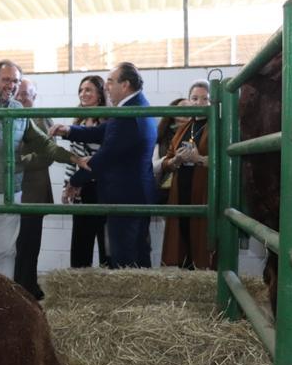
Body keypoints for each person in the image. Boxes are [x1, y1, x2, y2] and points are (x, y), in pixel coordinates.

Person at [0, 60, 80, 279]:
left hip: (12, 191)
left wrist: (72, 158)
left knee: (7, 251)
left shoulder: (18, 110)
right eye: (6, 79)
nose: (10, 85)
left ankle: (5, 301)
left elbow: (43, 143)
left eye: (15, 81)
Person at [49, 62, 157, 269]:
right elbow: (102, 132)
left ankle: (129, 299)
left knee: (125, 256)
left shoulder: (129, 114)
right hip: (134, 192)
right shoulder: (134, 107)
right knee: (136, 252)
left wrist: (74, 180)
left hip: (125, 196)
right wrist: (68, 131)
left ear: (125, 85)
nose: (106, 86)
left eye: (110, 81)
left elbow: (106, 156)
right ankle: (138, 297)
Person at [160, 80, 212, 269]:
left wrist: (199, 158)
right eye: (195, 98)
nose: (199, 103)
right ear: (189, 100)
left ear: (211, 102)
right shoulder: (183, 128)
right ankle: (186, 268)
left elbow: (225, 161)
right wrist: (176, 161)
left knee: (201, 234)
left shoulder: (218, 126)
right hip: (181, 189)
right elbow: (166, 161)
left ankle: (203, 271)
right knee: (182, 232)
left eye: (204, 99)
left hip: (204, 191)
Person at [63, 75, 111, 268]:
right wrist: (68, 184)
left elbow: (101, 160)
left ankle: (107, 286)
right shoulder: (78, 122)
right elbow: (72, 157)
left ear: (100, 94)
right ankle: (78, 287)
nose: (83, 94)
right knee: (81, 240)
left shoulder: (109, 122)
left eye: (89, 90)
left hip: (102, 188)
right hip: (80, 189)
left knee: (105, 242)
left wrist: (77, 181)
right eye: (81, 90)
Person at [13, 79, 53, 300]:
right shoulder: (13, 116)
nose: (20, 98)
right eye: (17, 94)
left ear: (34, 97)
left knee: (28, 241)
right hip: (18, 189)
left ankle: (26, 286)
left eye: (25, 95)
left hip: (33, 190)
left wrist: (19, 160)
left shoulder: (40, 117)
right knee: (18, 243)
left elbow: (47, 155)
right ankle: (23, 285)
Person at [153, 97, 189, 205]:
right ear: (173, 114)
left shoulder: (197, 133)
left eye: (190, 107)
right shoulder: (162, 136)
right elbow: (153, 166)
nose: (187, 111)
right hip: (166, 188)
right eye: (183, 108)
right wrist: (171, 159)